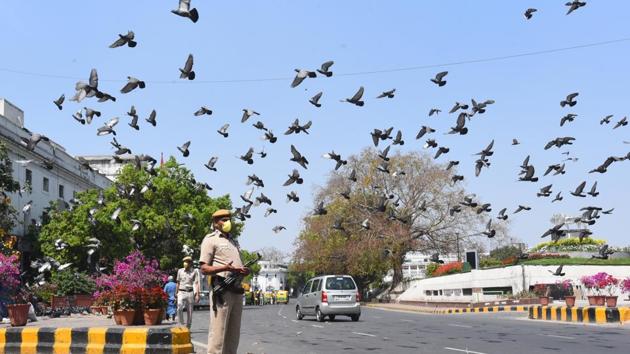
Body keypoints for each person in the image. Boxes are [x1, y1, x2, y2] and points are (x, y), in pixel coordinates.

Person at [199, 209, 250, 354]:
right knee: (218, 332)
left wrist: (244, 270)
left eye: (229, 219)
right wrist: (224, 268)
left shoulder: (234, 241)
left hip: (237, 289)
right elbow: (204, 268)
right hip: (222, 290)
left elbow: (238, 264)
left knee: (233, 333)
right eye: (223, 219)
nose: (228, 222)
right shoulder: (210, 240)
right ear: (215, 223)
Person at [176, 256, 200, 328]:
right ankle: (181, 324)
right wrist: (176, 293)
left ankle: (188, 327)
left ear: (190, 263)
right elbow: (178, 282)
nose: (185, 263)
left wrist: (197, 295)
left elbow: (196, 283)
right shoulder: (180, 271)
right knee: (179, 307)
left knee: (190, 312)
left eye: (187, 261)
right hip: (181, 292)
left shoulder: (194, 272)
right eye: (184, 261)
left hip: (190, 292)